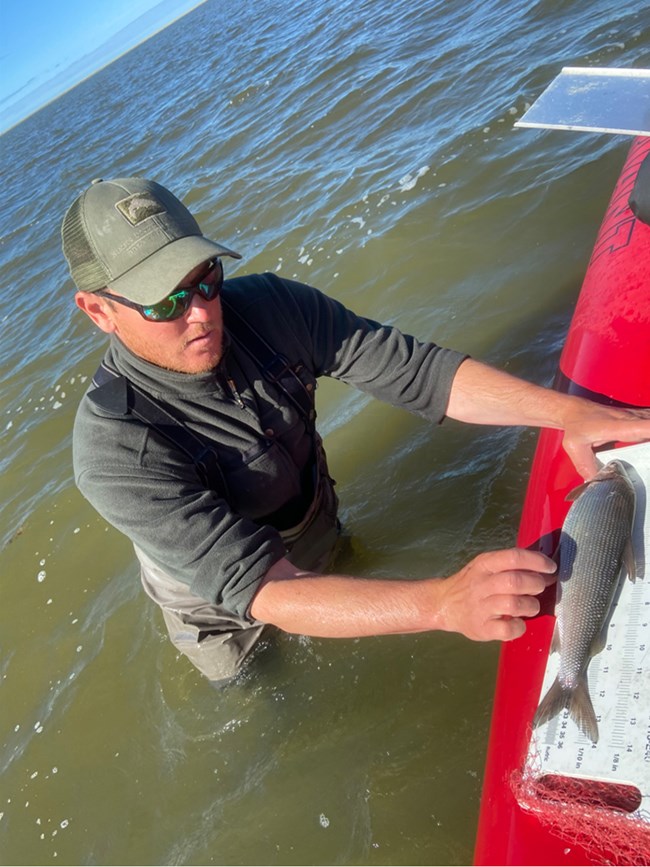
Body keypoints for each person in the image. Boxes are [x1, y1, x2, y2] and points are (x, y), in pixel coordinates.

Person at [62, 176, 650, 684]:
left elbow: (418, 372)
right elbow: (267, 589)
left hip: (310, 516)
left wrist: (567, 412)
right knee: (252, 685)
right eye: (164, 303)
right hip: (217, 598)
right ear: (98, 311)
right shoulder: (115, 448)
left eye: (205, 276)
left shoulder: (269, 308)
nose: (201, 311)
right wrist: (443, 603)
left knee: (341, 562)